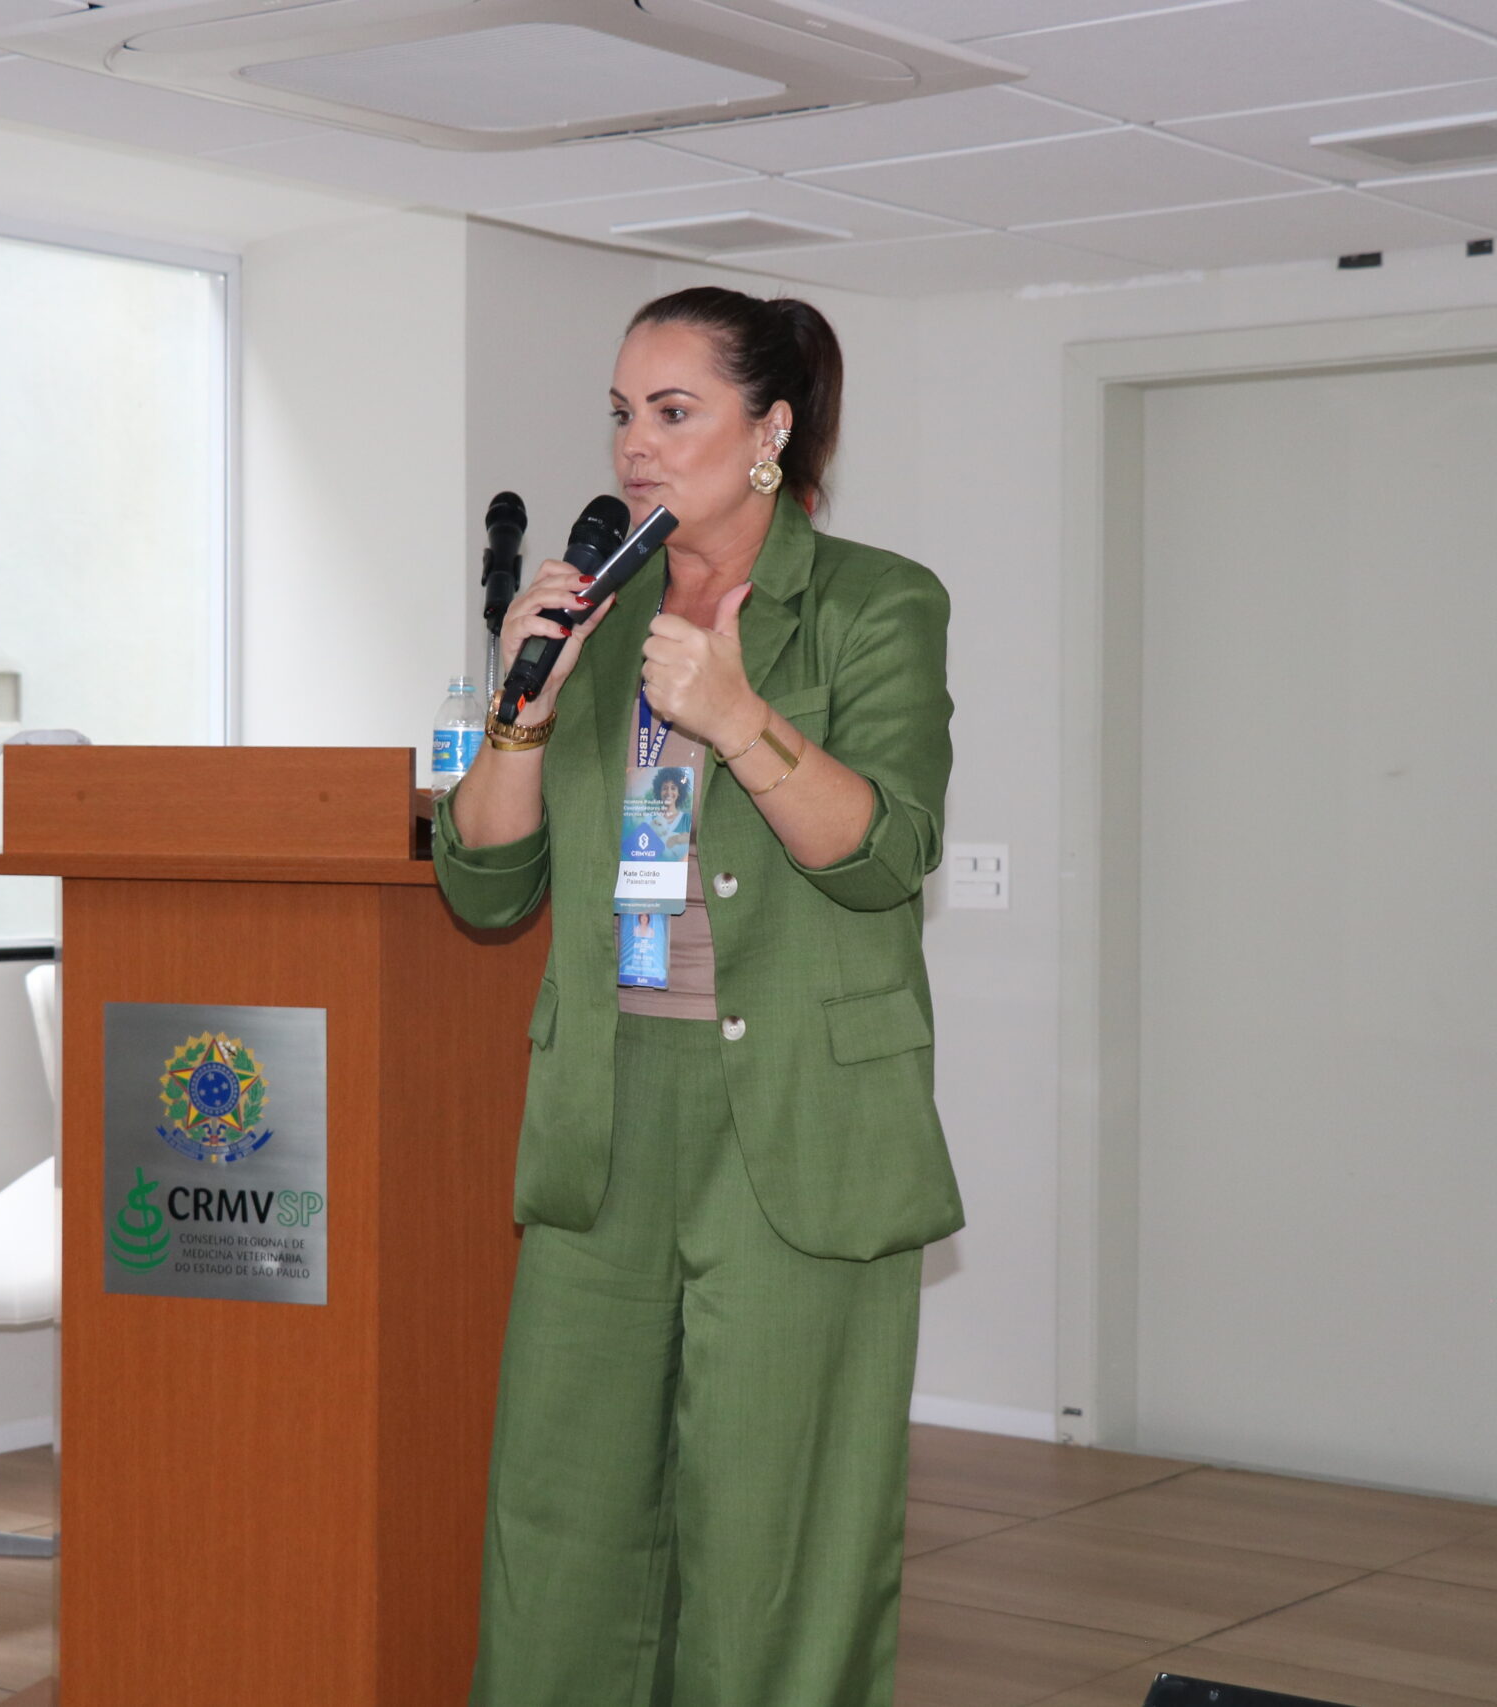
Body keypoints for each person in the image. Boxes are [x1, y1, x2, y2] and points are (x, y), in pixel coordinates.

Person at [435, 285, 961, 1707]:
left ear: (771, 430)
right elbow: (480, 884)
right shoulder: (585, 618)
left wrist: (736, 714)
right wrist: (522, 705)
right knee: (560, 1527)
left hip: (795, 1120)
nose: (635, 448)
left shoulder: (875, 602)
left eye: (676, 412)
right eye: (621, 413)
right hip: (609, 1114)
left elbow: (885, 854)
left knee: (776, 1539)